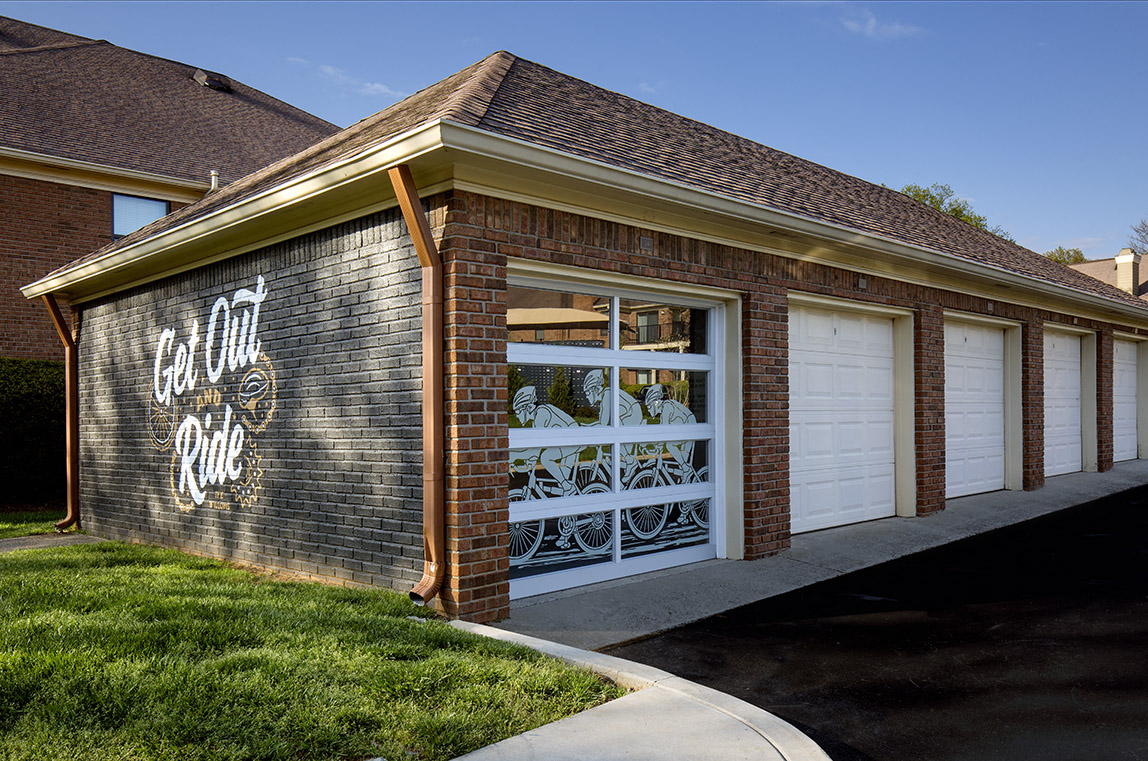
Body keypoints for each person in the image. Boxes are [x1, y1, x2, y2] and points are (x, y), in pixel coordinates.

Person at [512, 385, 580, 497]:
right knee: (562, 486)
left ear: (527, 407)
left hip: (573, 440)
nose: (517, 416)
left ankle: (568, 488)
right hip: (566, 441)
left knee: (545, 458)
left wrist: (514, 455)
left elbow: (536, 447)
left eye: (518, 411)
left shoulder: (542, 414)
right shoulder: (537, 417)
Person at [582, 369, 644, 481]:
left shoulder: (607, 395)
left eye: (587, 393)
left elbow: (603, 423)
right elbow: (602, 422)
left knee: (616, 430)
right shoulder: (605, 397)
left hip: (633, 415)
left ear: (595, 390)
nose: (586, 397)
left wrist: (590, 429)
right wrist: (588, 427)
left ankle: (630, 462)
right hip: (627, 415)